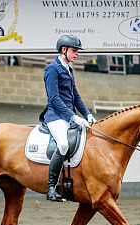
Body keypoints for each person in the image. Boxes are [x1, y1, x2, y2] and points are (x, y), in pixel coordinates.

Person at [39, 34, 97, 202]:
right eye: (74, 50)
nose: (77, 53)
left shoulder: (68, 69)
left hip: (69, 116)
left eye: (77, 50)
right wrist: (73, 117)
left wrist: (87, 114)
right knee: (63, 145)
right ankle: (51, 188)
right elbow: (54, 99)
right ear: (63, 50)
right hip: (55, 117)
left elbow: (75, 96)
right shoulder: (52, 69)